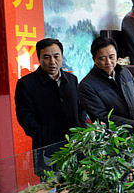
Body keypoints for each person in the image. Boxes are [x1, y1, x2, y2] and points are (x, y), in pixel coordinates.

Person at [15, 38, 88, 177]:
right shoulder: (26, 84)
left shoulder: (72, 80)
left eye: (56, 56)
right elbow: (25, 117)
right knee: (53, 192)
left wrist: (81, 129)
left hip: (76, 146)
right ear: (39, 58)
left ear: (62, 57)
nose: (52, 62)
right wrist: (44, 137)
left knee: (80, 187)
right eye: (46, 57)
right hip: (48, 150)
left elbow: (81, 108)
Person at [78, 36, 134, 129]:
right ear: (94, 59)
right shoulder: (87, 86)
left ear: (116, 56)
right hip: (112, 138)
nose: (108, 62)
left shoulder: (125, 73)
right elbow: (101, 117)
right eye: (102, 58)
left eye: (111, 57)